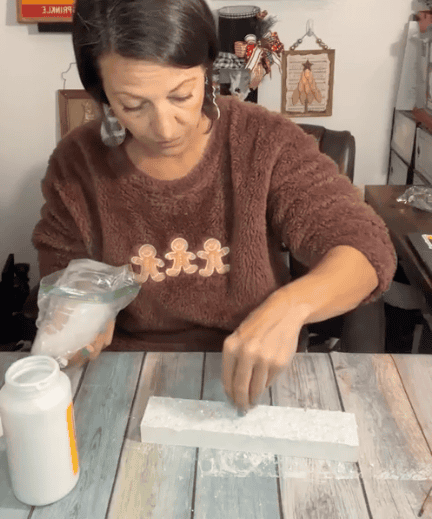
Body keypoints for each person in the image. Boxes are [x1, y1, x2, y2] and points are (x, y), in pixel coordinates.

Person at [31, 0, 397, 414]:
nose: (166, 127)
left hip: (258, 372)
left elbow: (367, 250)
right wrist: (81, 307)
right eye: (133, 105)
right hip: (128, 374)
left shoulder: (264, 142)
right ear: (101, 94)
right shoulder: (76, 163)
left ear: (207, 71)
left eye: (181, 95)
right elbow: (61, 266)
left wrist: (291, 306)